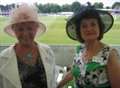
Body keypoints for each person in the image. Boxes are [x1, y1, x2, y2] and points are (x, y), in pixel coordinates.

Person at [57, 7, 120, 88]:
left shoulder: (110, 54)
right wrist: (58, 85)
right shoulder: (79, 49)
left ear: (99, 28)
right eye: (84, 26)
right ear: (79, 31)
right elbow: (73, 71)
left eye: (93, 24)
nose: (89, 29)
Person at [0, 3, 56, 88]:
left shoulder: (47, 51)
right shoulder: (3, 58)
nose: (25, 34)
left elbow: (52, 82)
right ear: (13, 29)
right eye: (20, 29)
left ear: (36, 28)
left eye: (30, 28)